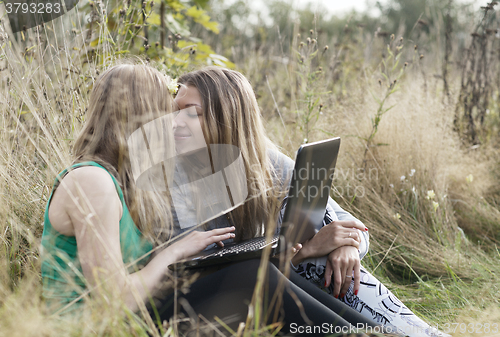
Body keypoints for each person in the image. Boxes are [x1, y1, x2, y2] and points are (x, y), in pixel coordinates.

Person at [40, 63, 383, 336]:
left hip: (139, 314)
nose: (172, 124)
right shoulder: (92, 182)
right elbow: (115, 300)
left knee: (258, 272)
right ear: (139, 117)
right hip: (97, 327)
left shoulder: (116, 181)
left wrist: (302, 251)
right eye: (166, 112)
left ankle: (374, 332)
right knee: (250, 276)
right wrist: (177, 250)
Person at [170, 66, 446, 337]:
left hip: (279, 285)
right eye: (174, 111)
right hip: (216, 303)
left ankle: (421, 333)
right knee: (315, 261)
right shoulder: (174, 178)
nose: (176, 121)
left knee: (332, 262)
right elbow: (203, 275)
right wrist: (307, 251)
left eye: (192, 113)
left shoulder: (267, 163)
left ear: (228, 119)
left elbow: (350, 223)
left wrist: (348, 247)